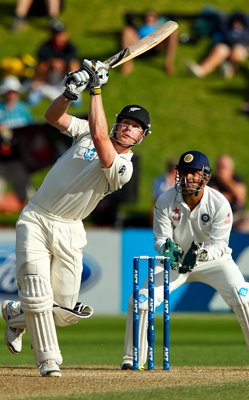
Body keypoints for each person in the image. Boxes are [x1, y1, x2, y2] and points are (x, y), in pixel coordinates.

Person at [2, 58, 151, 377]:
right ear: (117, 123)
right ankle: (48, 361)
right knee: (39, 294)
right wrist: (70, 93)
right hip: (37, 218)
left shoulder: (124, 168)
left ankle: (16, 316)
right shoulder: (84, 131)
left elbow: (101, 140)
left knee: (63, 309)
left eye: (135, 127)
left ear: (141, 137)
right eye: (125, 122)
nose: (128, 127)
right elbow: (51, 116)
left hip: (70, 229)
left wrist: (96, 88)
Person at [121, 150, 249, 371]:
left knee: (245, 295)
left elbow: (219, 245)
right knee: (142, 299)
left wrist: (200, 255)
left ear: (205, 177)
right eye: (184, 172)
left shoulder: (219, 203)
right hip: (175, 261)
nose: (188, 178)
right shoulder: (166, 200)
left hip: (214, 261)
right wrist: (169, 249)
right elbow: (161, 239)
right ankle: (133, 358)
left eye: (194, 173)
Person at [0, 75, 34, 212]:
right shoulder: (1, 109)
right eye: (9, 92)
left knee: (25, 189)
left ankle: (31, 213)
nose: (11, 95)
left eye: (14, 92)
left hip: (19, 157)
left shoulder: (23, 110)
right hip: (1, 158)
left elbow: (29, 131)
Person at [27, 21, 80, 106]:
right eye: (56, 35)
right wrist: (52, 63)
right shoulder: (45, 47)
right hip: (49, 76)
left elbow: (72, 60)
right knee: (41, 66)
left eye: (61, 34)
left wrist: (61, 63)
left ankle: (74, 89)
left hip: (64, 75)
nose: (59, 37)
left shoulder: (70, 47)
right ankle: (37, 89)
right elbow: (41, 62)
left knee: (74, 65)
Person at [186, 12, 249, 79]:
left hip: (239, 52)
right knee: (221, 49)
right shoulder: (227, 29)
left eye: (238, 22)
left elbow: (246, 43)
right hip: (226, 49)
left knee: (237, 51)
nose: (236, 24)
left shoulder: (247, 32)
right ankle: (201, 71)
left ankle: (229, 70)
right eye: (235, 22)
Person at [208, 155, 249, 232]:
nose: (221, 170)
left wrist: (226, 181)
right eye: (219, 167)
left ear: (231, 169)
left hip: (236, 215)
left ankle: (238, 239)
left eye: (224, 167)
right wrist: (230, 196)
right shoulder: (211, 181)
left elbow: (240, 196)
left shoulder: (237, 179)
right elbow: (214, 200)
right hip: (218, 216)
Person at [121, 10, 178, 76]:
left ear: (157, 19)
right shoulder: (140, 26)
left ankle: (168, 63)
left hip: (157, 45)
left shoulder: (159, 27)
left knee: (173, 33)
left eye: (152, 16)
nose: (149, 17)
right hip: (139, 45)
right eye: (147, 16)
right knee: (127, 30)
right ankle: (127, 64)